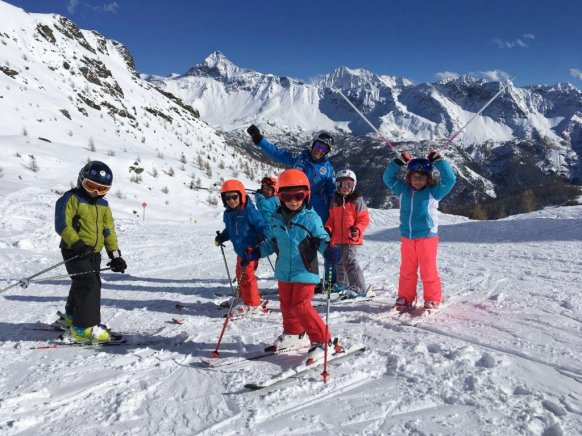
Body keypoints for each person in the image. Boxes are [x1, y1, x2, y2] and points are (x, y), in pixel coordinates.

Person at [259, 168, 342, 365]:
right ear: (280, 197)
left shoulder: (310, 218)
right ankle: (294, 334)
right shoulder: (276, 219)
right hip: (284, 271)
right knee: (286, 304)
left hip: (305, 269)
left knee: (301, 305)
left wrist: (328, 251)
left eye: (298, 196)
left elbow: (322, 239)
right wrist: (255, 253)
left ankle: (324, 341)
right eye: (287, 196)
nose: (293, 200)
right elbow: (271, 243)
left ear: (306, 196)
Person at [247, 125, 337, 291]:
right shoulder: (298, 158)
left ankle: (326, 281)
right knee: (294, 243)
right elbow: (278, 153)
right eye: (318, 146)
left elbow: (332, 193)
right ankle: (292, 277)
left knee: (320, 243)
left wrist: (334, 214)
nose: (319, 151)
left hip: (316, 211)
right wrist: (259, 140)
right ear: (313, 144)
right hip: (294, 205)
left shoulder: (328, 169)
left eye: (324, 149)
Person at [54, 161, 127, 343]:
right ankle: (82, 328)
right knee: (90, 284)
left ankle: (71, 317)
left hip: (94, 253)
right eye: (91, 186)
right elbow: (63, 225)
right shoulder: (71, 199)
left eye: (101, 189)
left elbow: (108, 230)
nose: (95, 192)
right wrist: (78, 245)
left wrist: (115, 256)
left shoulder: (103, 205)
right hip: (74, 250)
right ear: (81, 181)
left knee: (82, 282)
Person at [382, 150, 456, 311]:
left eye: (422, 178)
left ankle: (432, 298)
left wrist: (439, 161)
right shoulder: (403, 190)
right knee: (407, 269)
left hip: (427, 236)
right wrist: (398, 162)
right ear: (409, 177)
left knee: (428, 269)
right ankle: (406, 297)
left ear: (428, 179)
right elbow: (387, 178)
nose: (418, 181)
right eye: (415, 177)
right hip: (407, 236)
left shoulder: (433, 192)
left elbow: (450, 180)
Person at [215, 179, 270, 314]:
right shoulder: (228, 213)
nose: (231, 200)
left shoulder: (250, 212)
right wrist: (222, 237)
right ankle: (242, 296)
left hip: (251, 251)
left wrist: (262, 237)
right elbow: (229, 230)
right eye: (227, 198)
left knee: (247, 275)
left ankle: (253, 304)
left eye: (235, 196)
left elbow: (264, 226)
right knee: (240, 274)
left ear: (241, 196)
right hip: (241, 251)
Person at [324, 169, 370, 298]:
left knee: (350, 262)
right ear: (337, 186)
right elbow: (331, 219)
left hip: (351, 237)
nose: (345, 188)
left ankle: (358, 288)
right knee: (339, 260)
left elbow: (364, 219)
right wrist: (328, 228)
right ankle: (342, 283)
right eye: (341, 185)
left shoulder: (357, 201)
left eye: (348, 185)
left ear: (353, 186)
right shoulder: (335, 201)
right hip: (337, 237)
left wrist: (357, 229)